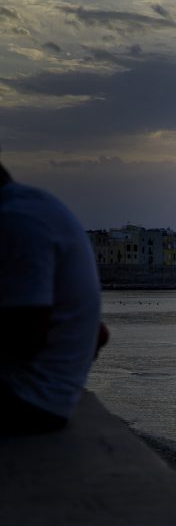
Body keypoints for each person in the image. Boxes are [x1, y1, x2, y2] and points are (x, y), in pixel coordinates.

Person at [0, 162, 107, 434]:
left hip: (30, 399)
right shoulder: (36, 208)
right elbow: (99, 333)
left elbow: (26, 335)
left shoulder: (17, 220)